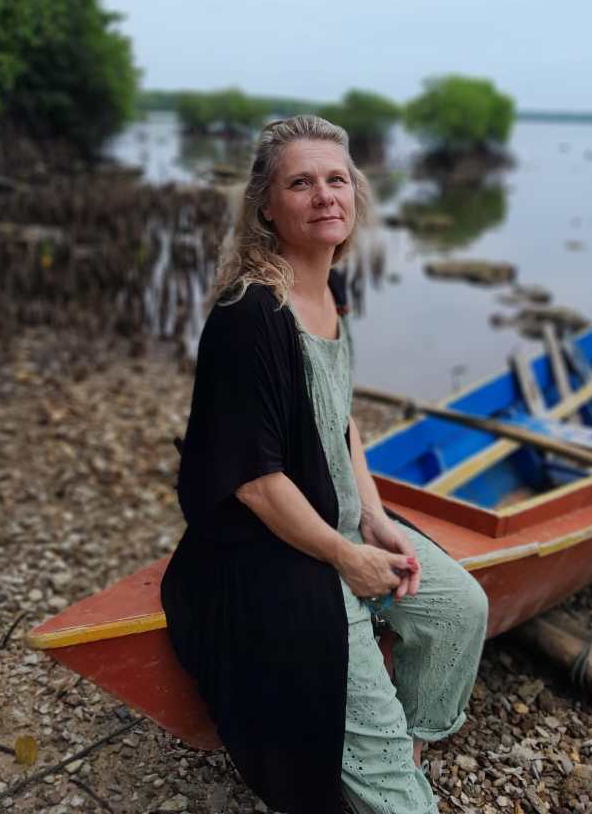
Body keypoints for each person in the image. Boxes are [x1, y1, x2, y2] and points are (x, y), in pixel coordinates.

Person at [161, 115, 488, 814]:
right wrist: (346, 558)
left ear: (355, 195)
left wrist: (375, 518)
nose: (324, 195)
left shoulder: (328, 296)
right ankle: (383, 778)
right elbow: (254, 481)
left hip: (338, 525)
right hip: (274, 550)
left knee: (460, 609)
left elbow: (341, 422)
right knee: (399, 797)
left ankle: (405, 747)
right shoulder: (250, 315)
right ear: (266, 207)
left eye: (336, 179)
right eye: (301, 183)